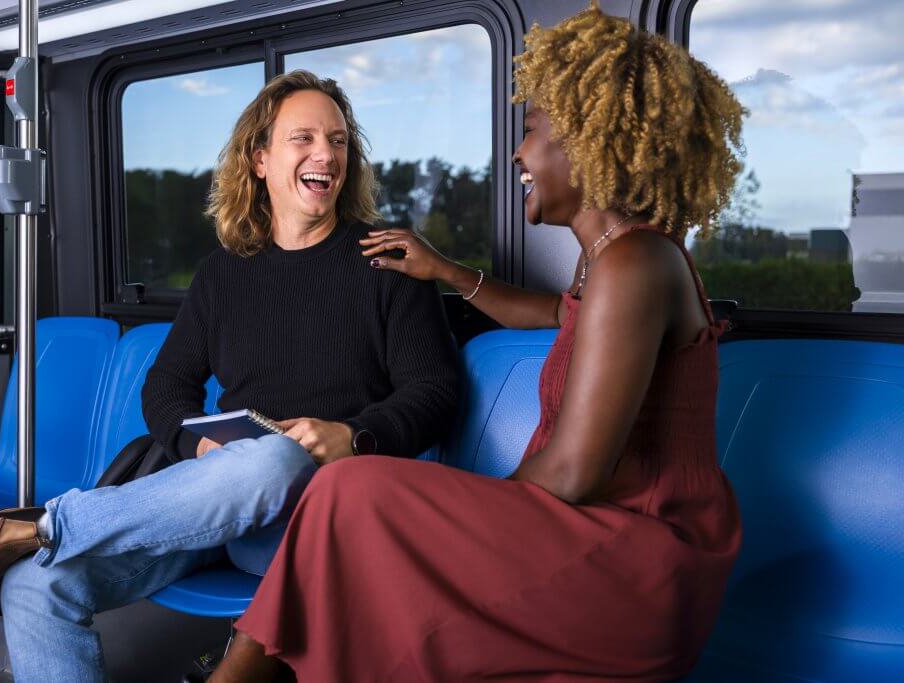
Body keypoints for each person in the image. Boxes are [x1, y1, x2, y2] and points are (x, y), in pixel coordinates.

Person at [211, 5, 745, 682]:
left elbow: (575, 472)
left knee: (354, 491)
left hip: (637, 563)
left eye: (530, 133)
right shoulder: (610, 262)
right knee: (352, 503)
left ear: (584, 141)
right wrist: (446, 271)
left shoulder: (636, 265)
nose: (519, 154)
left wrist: (458, 512)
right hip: (591, 539)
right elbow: (558, 311)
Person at [0, 70, 458, 682]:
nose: (327, 154)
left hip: (318, 515)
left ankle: (39, 525)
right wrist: (197, 444)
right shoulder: (223, 274)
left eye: (339, 141)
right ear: (260, 160)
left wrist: (354, 435)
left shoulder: (385, 261)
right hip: (211, 503)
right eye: (305, 138)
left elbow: (435, 393)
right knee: (32, 586)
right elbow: (165, 389)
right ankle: (35, 541)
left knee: (275, 461)